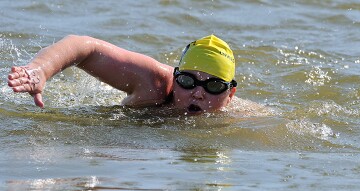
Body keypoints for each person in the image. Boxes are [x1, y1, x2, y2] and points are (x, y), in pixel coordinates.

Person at [7, 34, 237, 115]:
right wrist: (41, 69)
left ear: (231, 94)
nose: (197, 93)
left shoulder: (243, 118)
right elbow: (85, 48)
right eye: (187, 81)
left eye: (214, 86)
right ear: (176, 77)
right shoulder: (154, 83)